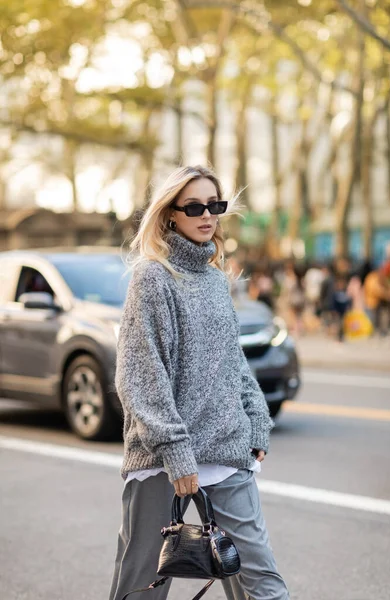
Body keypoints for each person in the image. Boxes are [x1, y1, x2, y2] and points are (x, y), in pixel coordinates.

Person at [109, 165, 290, 600]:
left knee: (260, 580)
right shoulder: (152, 278)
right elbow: (139, 375)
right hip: (162, 460)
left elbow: (233, 362)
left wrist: (256, 420)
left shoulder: (213, 280)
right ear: (170, 214)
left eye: (215, 205)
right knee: (142, 585)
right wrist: (176, 453)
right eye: (194, 207)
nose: (207, 215)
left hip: (226, 450)